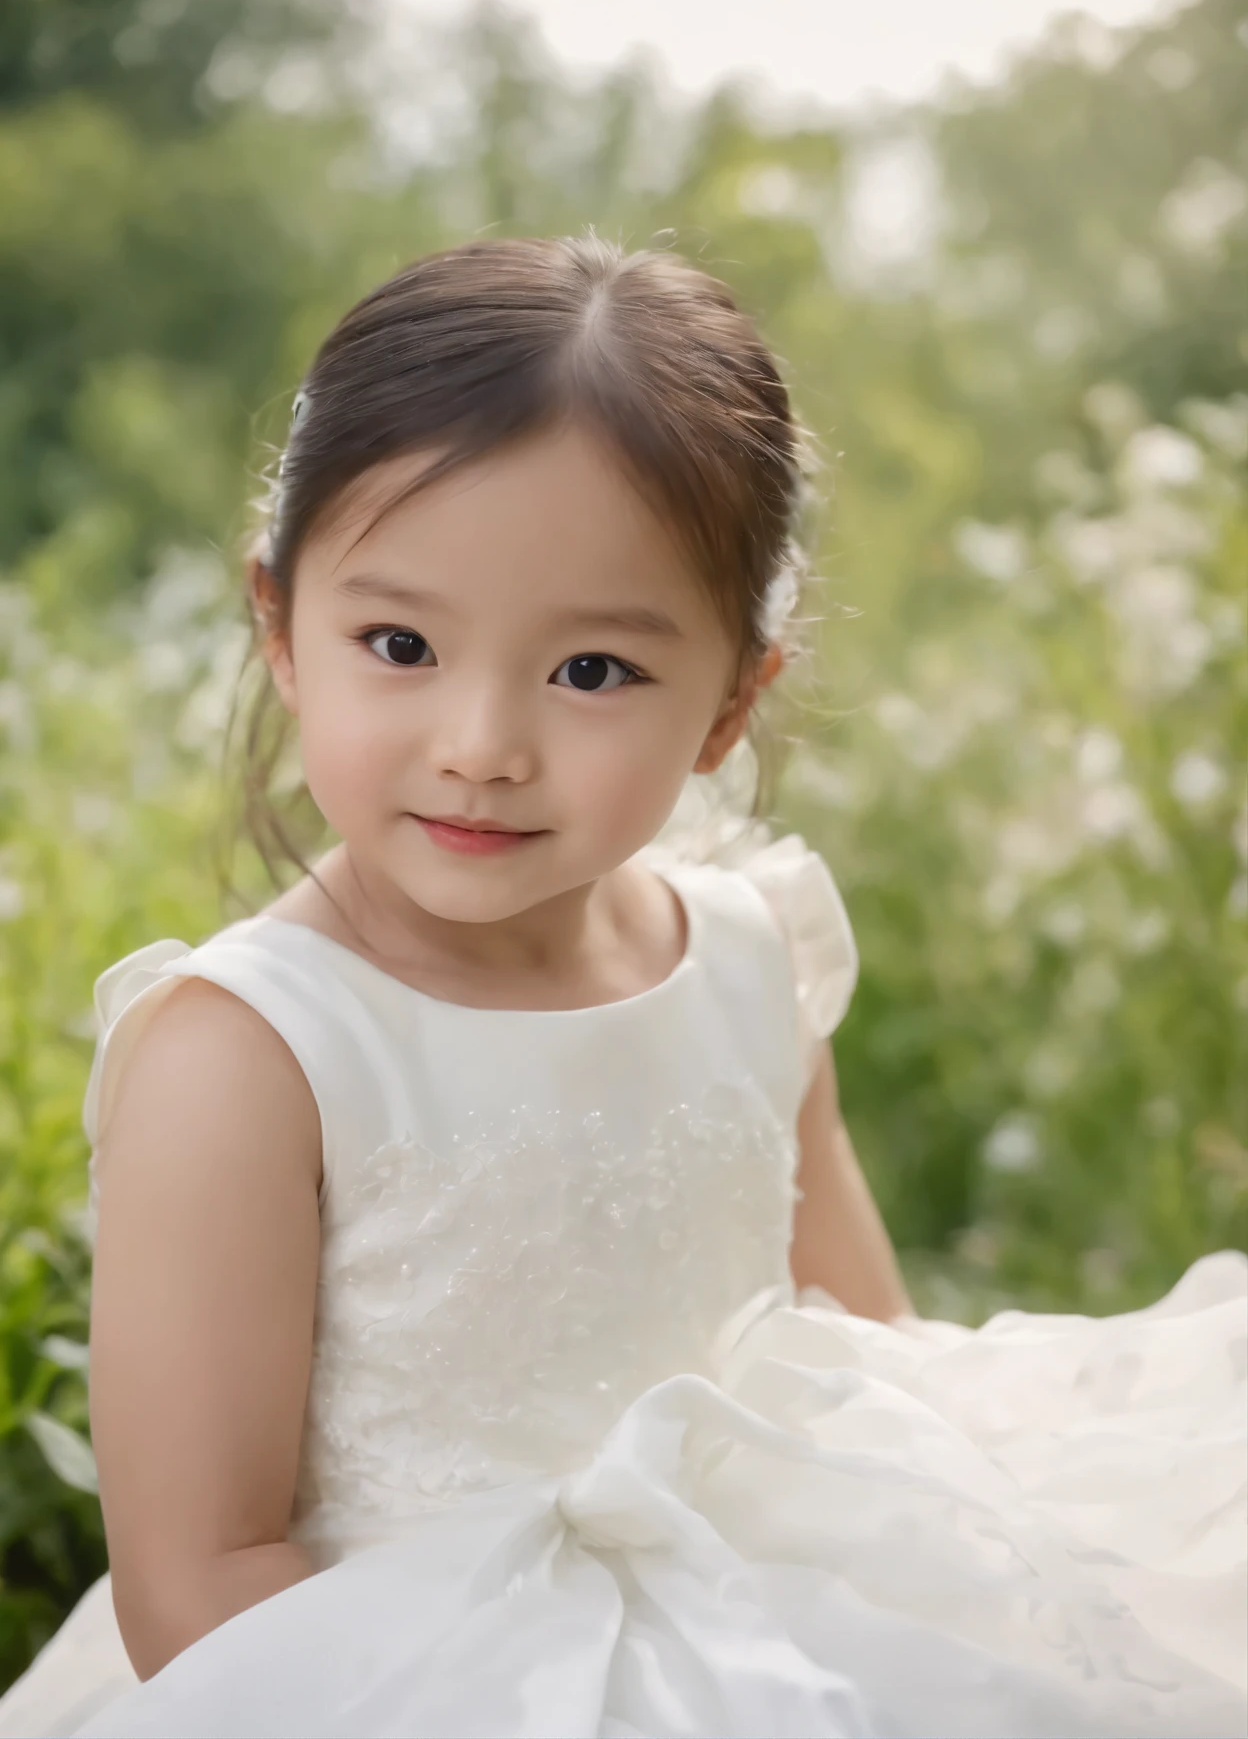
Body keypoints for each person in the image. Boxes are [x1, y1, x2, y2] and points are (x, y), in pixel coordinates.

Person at [0, 236, 1242, 1739]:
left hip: (771, 1640)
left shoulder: (747, 957)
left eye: (591, 672)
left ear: (731, 702)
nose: (482, 741)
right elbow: (197, 1585)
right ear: (279, 627)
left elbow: (871, 1364)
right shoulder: (258, 1054)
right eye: (399, 644)